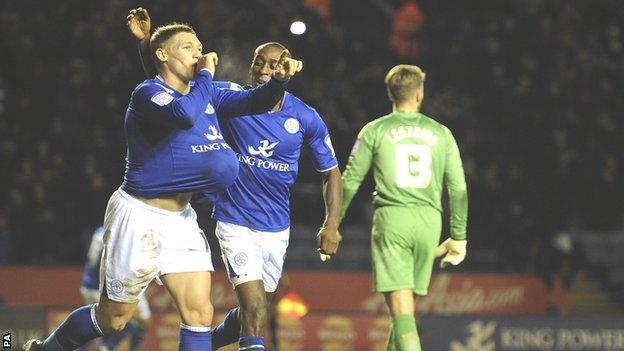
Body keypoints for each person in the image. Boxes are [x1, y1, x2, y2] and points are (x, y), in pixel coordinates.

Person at [24, 16, 302, 351]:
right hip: (139, 217)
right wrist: (205, 75)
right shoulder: (147, 95)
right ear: (162, 55)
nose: (198, 55)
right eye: (188, 48)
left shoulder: (207, 92)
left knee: (200, 313)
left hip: (181, 220)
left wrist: (278, 84)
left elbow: (255, 102)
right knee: (114, 319)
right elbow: (183, 113)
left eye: (200, 48)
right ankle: (45, 349)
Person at [126, 8, 341, 351]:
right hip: (233, 219)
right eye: (258, 61)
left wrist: (332, 223)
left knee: (254, 310)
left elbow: (330, 170)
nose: (262, 69)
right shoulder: (227, 98)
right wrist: (147, 47)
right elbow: (169, 87)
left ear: (284, 67)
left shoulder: (304, 116)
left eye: (271, 65)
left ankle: (205, 345)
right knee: (253, 304)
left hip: (276, 225)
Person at [339, 65, 468, 351]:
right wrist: (459, 236)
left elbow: (349, 182)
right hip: (429, 223)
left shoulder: (375, 130)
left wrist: (333, 224)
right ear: (420, 94)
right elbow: (458, 189)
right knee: (404, 312)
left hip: (393, 219)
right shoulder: (442, 133)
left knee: (402, 311)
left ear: (390, 93)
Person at [79, 226, 151, 351]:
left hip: (88, 285)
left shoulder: (100, 231)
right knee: (129, 322)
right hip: (101, 288)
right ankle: (106, 346)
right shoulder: (123, 237)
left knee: (99, 324)